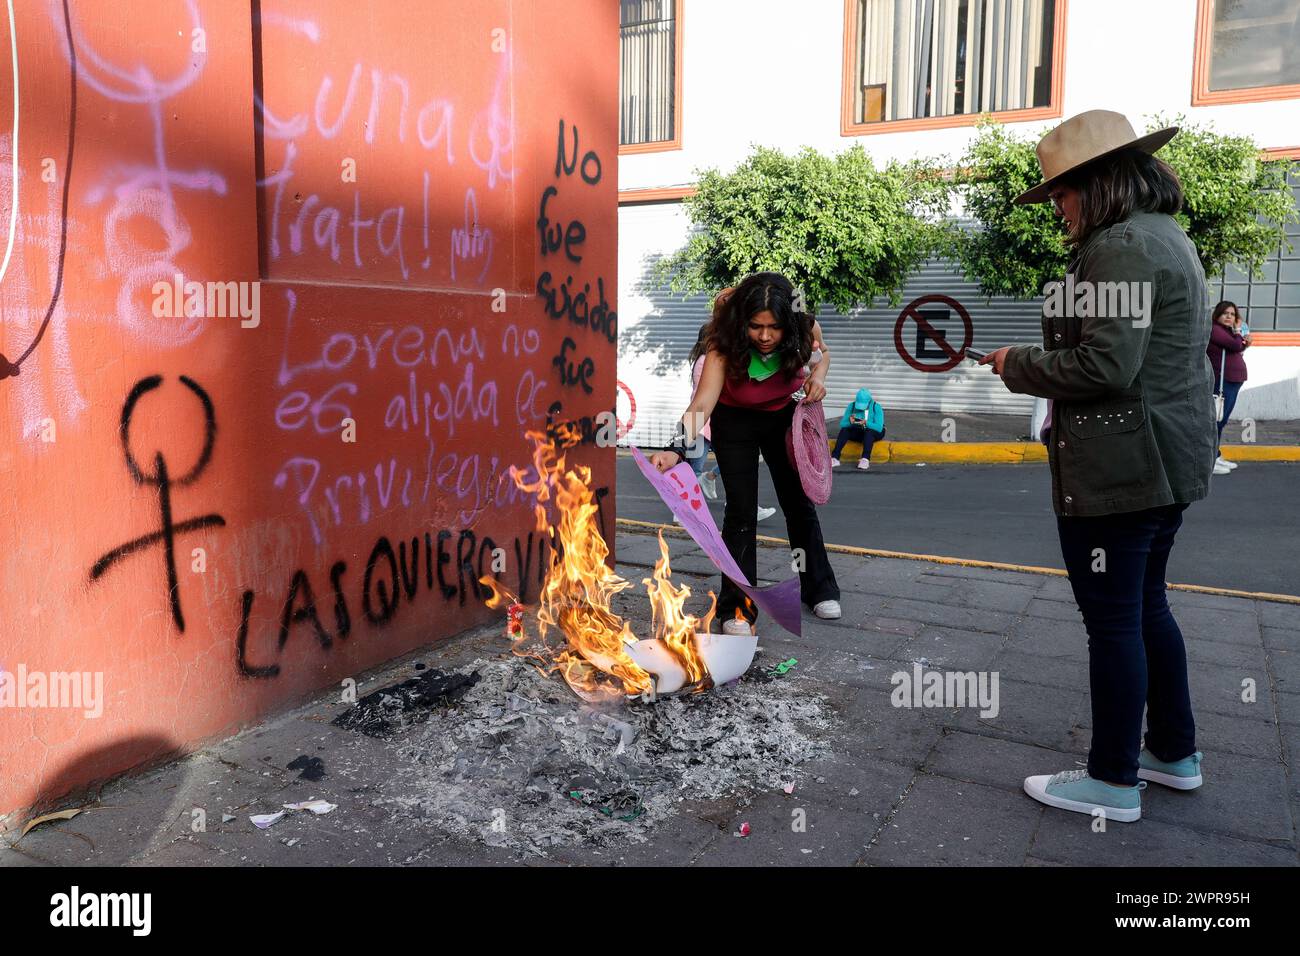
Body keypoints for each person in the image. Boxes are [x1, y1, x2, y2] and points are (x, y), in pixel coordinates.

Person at [979, 110, 1215, 823]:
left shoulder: (1122, 247)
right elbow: (1123, 351)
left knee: (1114, 622)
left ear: (1098, 182)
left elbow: (1106, 365)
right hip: (1165, 461)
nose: (1058, 207)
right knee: (1146, 609)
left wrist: (1015, 364)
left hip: (1123, 469)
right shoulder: (1165, 236)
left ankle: (1113, 780)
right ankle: (1172, 754)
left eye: (1061, 193)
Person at [647, 272, 842, 633]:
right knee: (739, 511)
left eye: (774, 327)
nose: (765, 337)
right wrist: (676, 448)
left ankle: (818, 588)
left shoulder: (805, 328)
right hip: (733, 421)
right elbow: (702, 403)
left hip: (782, 416)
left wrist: (818, 377)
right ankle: (737, 608)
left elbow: (824, 355)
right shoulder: (723, 344)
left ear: (789, 323)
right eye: (755, 326)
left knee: (799, 504)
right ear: (742, 323)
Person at [675, 323, 777, 523]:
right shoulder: (706, 361)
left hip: (713, 423)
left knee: (737, 465)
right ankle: (682, 511)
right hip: (701, 424)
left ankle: (722, 489)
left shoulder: (710, 360)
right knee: (694, 469)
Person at [1206, 300, 1251, 475]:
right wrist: (1239, 332)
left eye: (1232, 314)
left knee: (1220, 420)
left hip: (1231, 382)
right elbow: (1235, 345)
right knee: (1216, 421)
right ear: (1217, 315)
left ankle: (1215, 456)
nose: (1229, 317)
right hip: (1222, 383)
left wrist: (1242, 340)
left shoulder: (1226, 332)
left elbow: (1238, 346)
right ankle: (1210, 461)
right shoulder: (1215, 329)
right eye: (1226, 313)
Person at [830, 388, 885, 470]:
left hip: (874, 432)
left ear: (869, 401)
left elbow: (879, 428)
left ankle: (865, 459)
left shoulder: (876, 407)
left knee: (869, 432)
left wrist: (866, 423)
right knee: (845, 430)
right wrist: (850, 422)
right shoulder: (851, 406)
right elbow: (842, 424)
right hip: (859, 431)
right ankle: (835, 458)